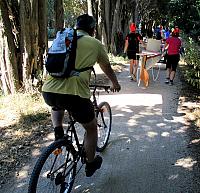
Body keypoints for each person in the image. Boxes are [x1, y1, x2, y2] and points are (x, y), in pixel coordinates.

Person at [42, 14, 121, 177]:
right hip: (75, 94)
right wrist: (115, 83)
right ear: (92, 30)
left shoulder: (64, 38)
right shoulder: (95, 43)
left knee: (57, 103)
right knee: (91, 129)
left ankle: (58, 131)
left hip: (49, 90)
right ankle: (90, 164)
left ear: (76, 26)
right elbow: (107, 67)